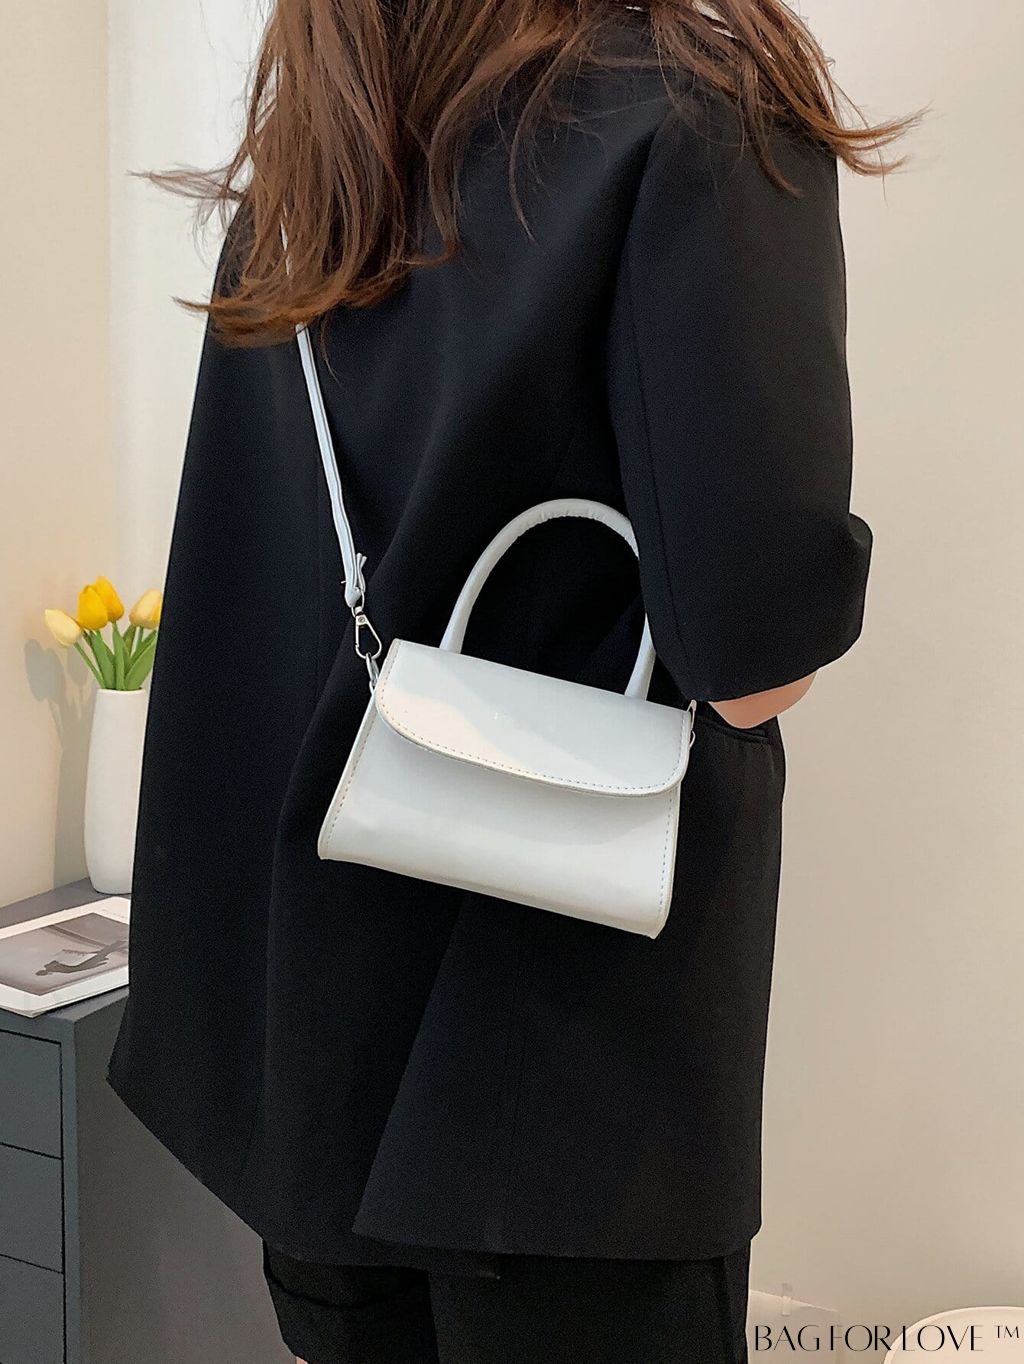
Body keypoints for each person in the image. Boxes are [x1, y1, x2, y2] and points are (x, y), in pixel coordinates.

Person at [105, 2, 912, 1360]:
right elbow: (753, 668)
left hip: (310, 1068)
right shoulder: (695, 114)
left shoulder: (314, 156)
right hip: (570, 1100)